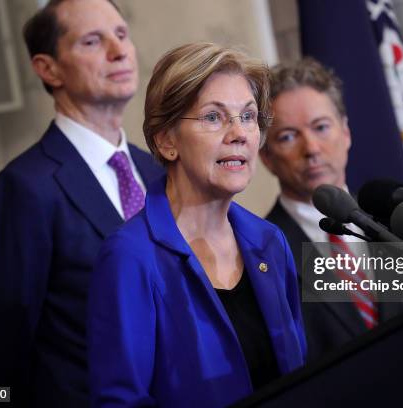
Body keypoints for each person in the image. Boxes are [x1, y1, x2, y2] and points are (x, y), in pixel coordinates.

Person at [88, 42, 306, 408]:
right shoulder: (131, 258)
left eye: (248, 116)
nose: (239, 133)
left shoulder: (269, 241)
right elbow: (119, 402)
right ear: (167, 140)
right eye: (213, 117)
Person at [0, 0, 163, 406]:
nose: (119, 50)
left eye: (121, 35)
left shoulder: (158, 171)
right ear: (48, 68)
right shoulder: (22, 191)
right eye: (93, 41)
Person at [259, 58, 401, 362]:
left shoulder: (401, 218)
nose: (311, 148)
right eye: (287, 136)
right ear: (266, 157)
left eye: (321, 127)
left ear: (346, 132)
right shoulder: (261, 253)